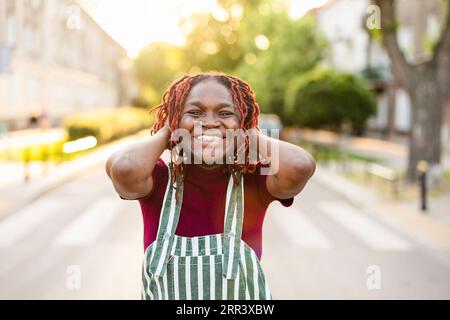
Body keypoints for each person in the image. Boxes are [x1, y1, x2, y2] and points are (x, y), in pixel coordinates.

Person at [105, 72, 316, 300]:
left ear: (242, 122)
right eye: (194, 113)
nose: (210, 123)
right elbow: (124, 168)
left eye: (225, 113)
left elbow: (299, 165)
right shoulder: (159, 181)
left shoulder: (253, 181)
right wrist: (168, 129)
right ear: (176, 120)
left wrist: (249, 132)